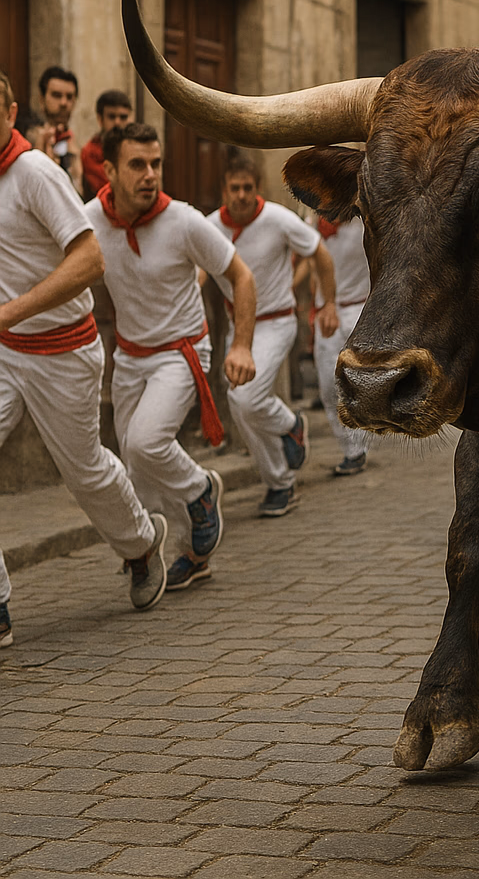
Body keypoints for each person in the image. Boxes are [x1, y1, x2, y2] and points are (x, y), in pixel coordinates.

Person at [0, 72, 171, 647]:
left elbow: (89, 261)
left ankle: (142, 545)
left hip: (63, 353)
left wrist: (9, 313)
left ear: (12, 112)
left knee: (84, 470)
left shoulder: (36, 174)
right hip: (4, 353)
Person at [85, 123, 258, 592]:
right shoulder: (89, 222)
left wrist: (240, 345)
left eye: (156, 164)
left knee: (145, 443)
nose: (150, 175)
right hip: (130, 356)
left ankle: (201, 490)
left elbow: (240, 276)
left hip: (182, 352)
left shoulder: (183, 220)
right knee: (136, 468)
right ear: (109, 171)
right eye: (137, 165)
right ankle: (190, 552)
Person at [208, 154, 338, 517]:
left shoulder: (278, 219)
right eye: (234, 189)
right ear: (224, 191)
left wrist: (329, 305)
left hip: (277, 321)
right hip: (238, 328)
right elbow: (197, 272)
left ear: (258, 189)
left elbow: (320, 254)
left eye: (248, 188)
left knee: (246, 400)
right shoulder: (208, 227)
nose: (242, 195)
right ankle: (282, 470)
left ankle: (287, 438)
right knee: (241, 404)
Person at [312, 212, 372, 475]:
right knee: (328, 385)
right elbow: (311, 262)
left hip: (360, 308)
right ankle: (353, 450)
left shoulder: (364, 219)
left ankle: (358, 446)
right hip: (326, 311)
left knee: (363, 381)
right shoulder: (310, 224)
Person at [25, 67, 82, 195]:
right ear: (42, 99)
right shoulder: (25, 141)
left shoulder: (77, 146)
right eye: (56, 95)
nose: (63, 102)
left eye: (69, 97)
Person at [80, 90, 133, 201]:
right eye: (112, 117)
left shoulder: (137, 148)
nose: (117, 122)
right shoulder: (90, 152)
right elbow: (109, 186)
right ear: (100, 119)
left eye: (123, 117)